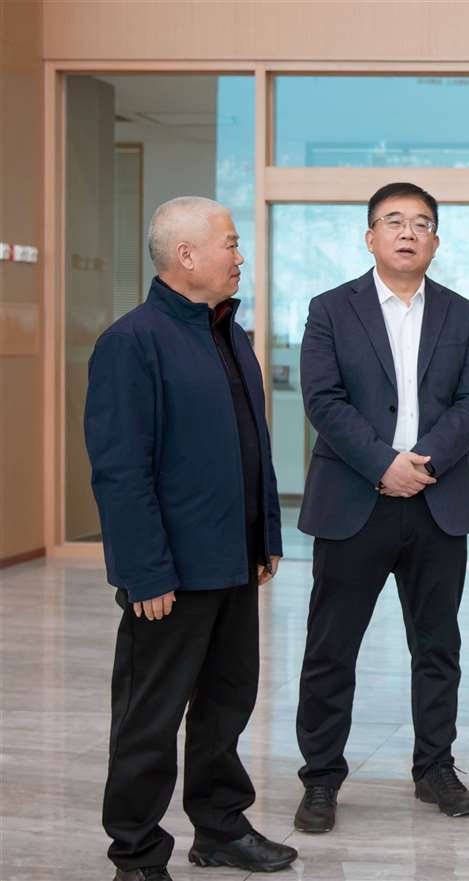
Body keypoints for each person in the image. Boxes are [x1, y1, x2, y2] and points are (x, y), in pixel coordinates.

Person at [86, 196, 295, 881]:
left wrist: (265, 535)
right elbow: (120, 469)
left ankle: (221, 827)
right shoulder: (132, 341)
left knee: (227, 704)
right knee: (149, 718)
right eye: (229, 243)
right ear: (186, 255)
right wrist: (144, 571)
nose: (239, 256)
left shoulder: (230, 334)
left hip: (234, 561)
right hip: (171, 573)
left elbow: (252, 445)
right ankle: (137, 854)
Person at [292, 182, 469, 833]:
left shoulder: (461, 314)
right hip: (354, 500)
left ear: (436, 240)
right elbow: (322, 398)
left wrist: (424, 462)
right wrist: (382, 463)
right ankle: (321, 777)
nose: (408, 232)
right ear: (370, 236)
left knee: (438, 645)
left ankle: (435, 767)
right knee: (331, 647)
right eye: (394, 221)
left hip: (437, 501)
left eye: (421, 223)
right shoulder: (331, 309)